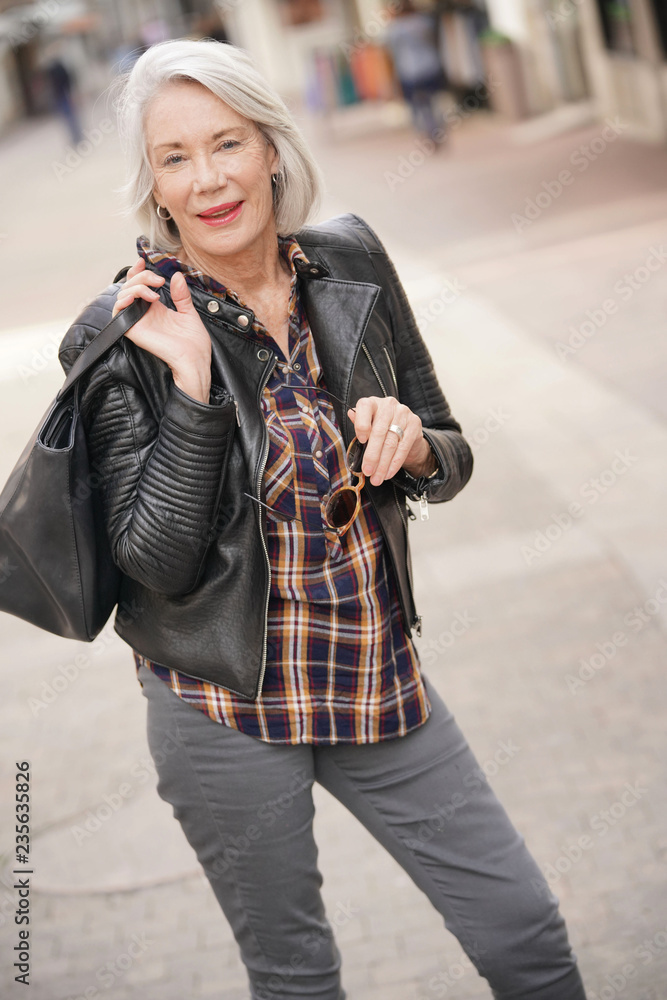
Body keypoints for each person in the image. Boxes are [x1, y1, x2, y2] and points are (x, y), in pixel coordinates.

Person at [57, 38, 587, 1000]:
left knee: (522, 931)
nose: (210, 178)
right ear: (154, 186)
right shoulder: (122, 329)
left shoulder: (347, 262)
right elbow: (155, 563)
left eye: (227, 143)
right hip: (224, 712)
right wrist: (191, 393)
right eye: (175, 157)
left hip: (375, 676)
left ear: (270, 148)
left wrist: (413, 443)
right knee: (297, 977)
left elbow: (449, 450)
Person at [384, 0, 447, 144]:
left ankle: (424, 134)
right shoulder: (425, 22)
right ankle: (437, 131)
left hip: (409, 71)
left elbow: (389, 48)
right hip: (430, 66)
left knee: (416, 106)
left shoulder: (396, 28)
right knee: (433, 102)